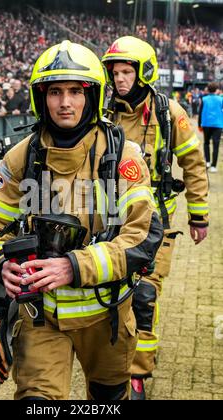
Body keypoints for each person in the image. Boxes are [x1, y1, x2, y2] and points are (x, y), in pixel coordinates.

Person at [0, 40, 163, 400]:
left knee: (109, 399)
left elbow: (143, 236)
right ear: (40, 98)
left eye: (76, 91)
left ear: (92, 95)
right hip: (40, 316)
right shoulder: (21, 157)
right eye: (55, 91)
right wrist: (0, 263)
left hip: (106, 315)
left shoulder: (123, 155)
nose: (65, 103)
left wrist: (73, 266)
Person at [102, 36, 209, 400]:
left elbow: (193, 164)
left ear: (143, 72)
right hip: (111, 218)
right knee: (112, 292)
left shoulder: (169, 114)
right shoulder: (102, 112)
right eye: (115, 72)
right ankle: (109, 362)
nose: (120, 80)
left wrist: (199, 216)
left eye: (126, 72)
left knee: (145, 295)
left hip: (155, 221)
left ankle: (136, 375)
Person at [198, 82, 223, 173]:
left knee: (206, 143)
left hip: (206, 124)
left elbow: (200, 112)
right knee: (216, 145)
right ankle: (213, 166)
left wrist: (199, 124)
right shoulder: (221, 99)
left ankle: (207, 161)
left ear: (208, 90)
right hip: (218, 124)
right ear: (217, 90)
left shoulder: (204, 99)